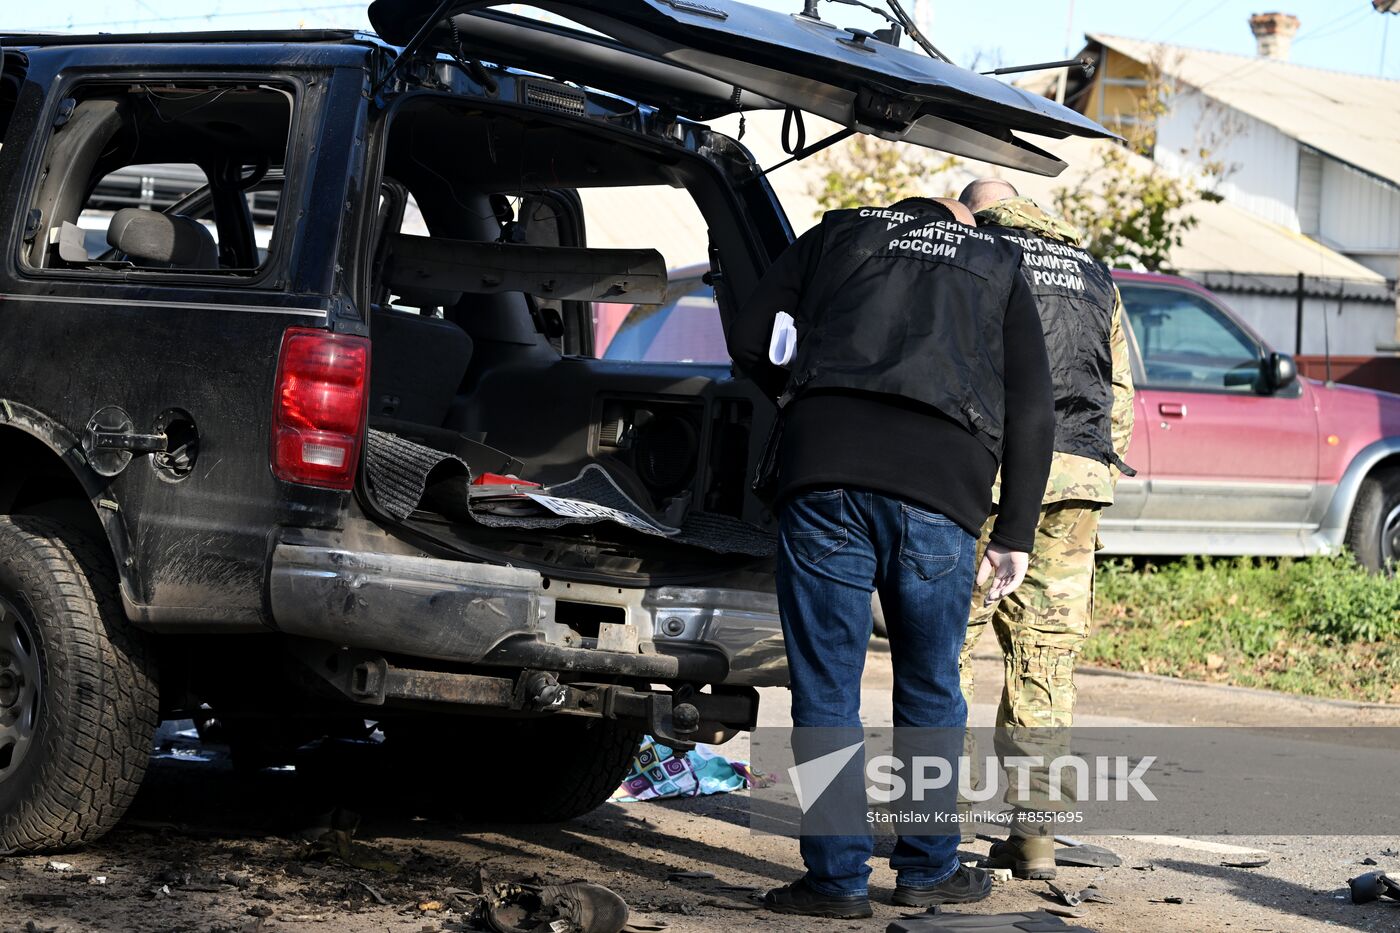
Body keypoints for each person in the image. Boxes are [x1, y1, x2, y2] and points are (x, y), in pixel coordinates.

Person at [728, 194, 1055, 919]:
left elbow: (751, 333)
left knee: (825, 689)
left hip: (823, 469)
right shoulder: (997, 261)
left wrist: (803, 397)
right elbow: (1034, 405)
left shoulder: (841, 231)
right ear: (957, 226)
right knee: (932, 685)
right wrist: (1015, 535)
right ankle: (927, 869)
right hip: (940, 488)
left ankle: (837, 881)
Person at [955, 178, 1136, 880]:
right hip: (1079, 483)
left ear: (976, 209)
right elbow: (1119, 390)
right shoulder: (1094, 272)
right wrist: (1096, 476)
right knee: (1045, 662)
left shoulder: (977, 250)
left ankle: (928, 825)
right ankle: (1035, 837)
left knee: (950, 646)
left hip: (991, 474)